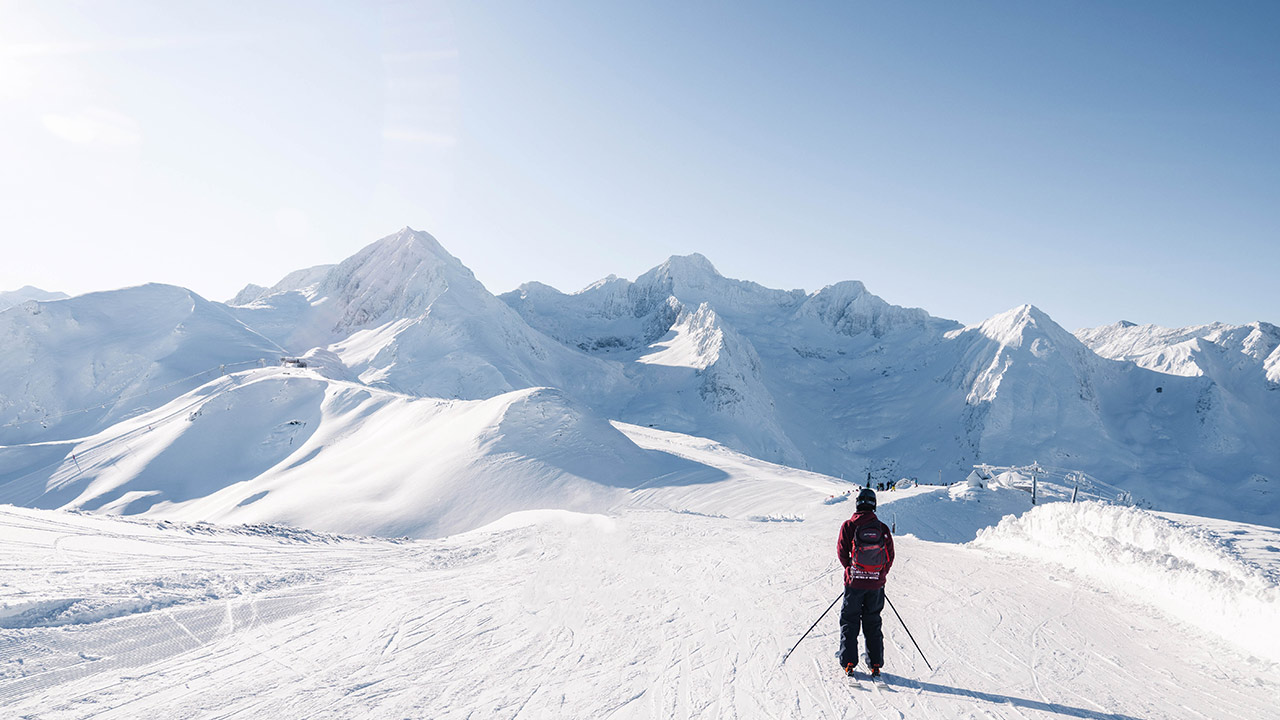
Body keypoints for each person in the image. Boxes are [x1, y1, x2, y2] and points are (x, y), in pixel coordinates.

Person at [836, 487, 894, 678]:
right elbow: (890, 556)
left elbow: (842, 552)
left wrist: (852, 571)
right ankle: (875, 664)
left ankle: (849, 662)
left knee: (850, 621)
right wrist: (879, 575)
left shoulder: (848, 526)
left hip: (854, 584)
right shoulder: (882, 528)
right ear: (874, 505)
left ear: (858, 504)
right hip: (876, 585)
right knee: (873, 622)